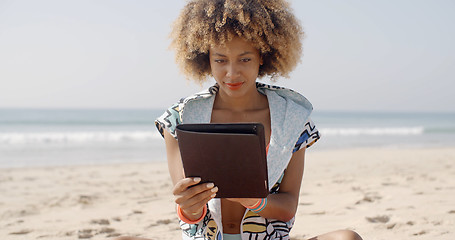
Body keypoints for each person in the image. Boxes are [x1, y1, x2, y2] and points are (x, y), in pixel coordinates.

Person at [115, 0, 362, 239]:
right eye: (220, 60)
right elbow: (191, 213)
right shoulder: (179, 119)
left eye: (245, 59)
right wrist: (189, 206)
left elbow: (288, 206)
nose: (231, 73)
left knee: (346, 237)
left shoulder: (292, 118)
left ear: (262, 56)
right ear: (206, 58)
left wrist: (253, 199)